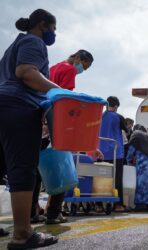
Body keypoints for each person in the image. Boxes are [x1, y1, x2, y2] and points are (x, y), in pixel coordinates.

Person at [0, 9, 59, 249]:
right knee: (23, 167)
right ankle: (23, 233)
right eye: (53, 29)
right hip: (19, 107)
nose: (54, 35)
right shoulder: (33, 41)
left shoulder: (12, 47)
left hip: (3, 105)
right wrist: (59, 92)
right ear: (43, 26)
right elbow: (26, 73)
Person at [36, 49, 94, 225]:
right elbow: (65, 99)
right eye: (83, 66)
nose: (81, 70)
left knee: (36, 171)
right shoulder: (69, 69)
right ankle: (54, 213)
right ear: (77, 58)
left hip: (41, 120)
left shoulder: (53, 67)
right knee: (61, 168)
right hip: (56, 125)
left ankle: (33, 211)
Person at [99, 96, 128, 212]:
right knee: (117, 179)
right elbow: (127, 130)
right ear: (116, 106)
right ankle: (118, 205)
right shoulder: (118, 117)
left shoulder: (100, 116)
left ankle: (99, 205)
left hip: (101, 152)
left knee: (101, 179)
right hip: (116, 152)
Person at [126, 125, 148, 210]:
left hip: (144, 161)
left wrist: (128, 159)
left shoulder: (135, 134)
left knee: (142, 182)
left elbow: (131, 149)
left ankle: (141, 203)